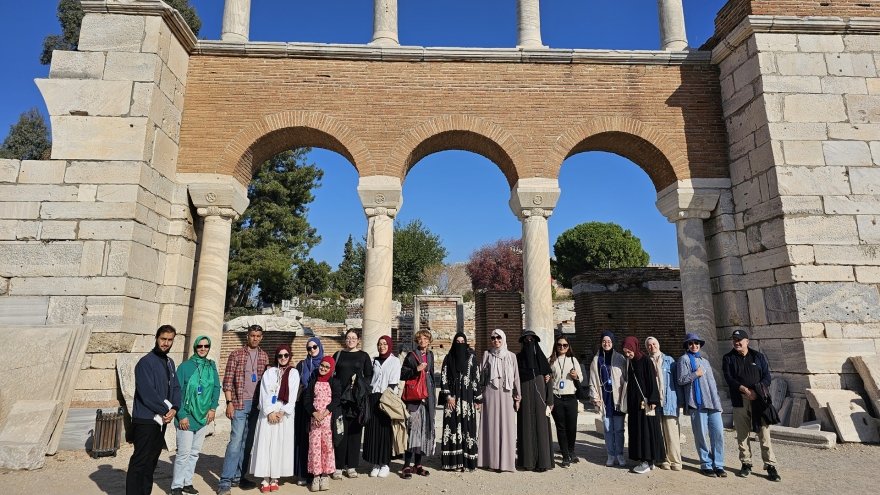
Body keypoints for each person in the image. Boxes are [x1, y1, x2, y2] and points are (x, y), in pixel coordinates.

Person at [127, 325, 181, 495]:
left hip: (161, 421)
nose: (166, 343)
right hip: (145, 419)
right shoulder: (145, 362)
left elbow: (176, 388)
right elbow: (147, 392)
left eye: (169, 340)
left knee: (152, 460)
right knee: (140, 461)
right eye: (163, 339)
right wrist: (166, 409)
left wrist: (175, 408)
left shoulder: (169, 362)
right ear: (156, 338)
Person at [722, 329, 781, 482]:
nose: (736, 342)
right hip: (740, 400)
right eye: (734, 339)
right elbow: (729, 378)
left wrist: (756, 391)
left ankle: (770, 465)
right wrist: (743, 389)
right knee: (742, 434)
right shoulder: (728, 358)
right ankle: (746, 463)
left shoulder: (758, 356)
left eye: (740, 339)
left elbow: (767, 376)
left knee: (764, 434)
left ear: (747, 341)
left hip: (758, 400)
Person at [218, 325, 269, 495]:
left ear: (261, 337)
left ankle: (239, 477)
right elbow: (227, 380)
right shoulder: (236, 354)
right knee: (235, 442)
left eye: (258, 336)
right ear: (248, 336)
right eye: (252, 335)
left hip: (256, 406)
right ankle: (225, 481)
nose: (255, 338)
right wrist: (229, 402)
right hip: (239, 403)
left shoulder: (264, 356)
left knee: (248, 444)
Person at [171, 335, 220, 495]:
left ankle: (187, 482)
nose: (203, 349)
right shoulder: (185, 367)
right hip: (187, 415)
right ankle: (176, 486)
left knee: (194, 453)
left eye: (206, 346)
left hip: (204, 416)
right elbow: (176, 392)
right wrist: (182, 415)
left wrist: (213, 409)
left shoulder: (211, 366)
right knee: (183, 453)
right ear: (195, 347)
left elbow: (216, 388)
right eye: (200, 346)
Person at [250, 344, 300, 492]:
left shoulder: (294, 373)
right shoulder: (269, 372)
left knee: (279, 446)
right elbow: (264, 393)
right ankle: (265, 477)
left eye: (286, 355)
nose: (283, 358)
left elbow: (292, 395)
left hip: (284, 415)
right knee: (266, 444)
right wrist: (270, 411)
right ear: (276, 357)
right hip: (268, 414)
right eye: (280, 355)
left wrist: (282, 412)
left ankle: (275, 477)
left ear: (289, 356)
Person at [677, 332, 726, 478]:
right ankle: (706, 464)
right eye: (691, 343)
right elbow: (681, 380)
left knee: (718, 434)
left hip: (712, 403)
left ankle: (718, 464)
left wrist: (718, 403)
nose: (694, 346)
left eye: (696, 343)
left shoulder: (705, 361)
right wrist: (695, 374)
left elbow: (712, 384)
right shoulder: (684, 360)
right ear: (687, 345)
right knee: (701, 436)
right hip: (696, 403)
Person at [331, 330, 373, 478]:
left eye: (353, 338)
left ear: (358, 340)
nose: (350, 340)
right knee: (340, 431)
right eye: (348, 338)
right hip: (340, 400)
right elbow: (332, 374)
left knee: (355, 432)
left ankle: (352, 466)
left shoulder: (363, 356)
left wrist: (359, 385)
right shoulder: (338, 355)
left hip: (356, 400)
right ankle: (338, 466)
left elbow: (369, 376)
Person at [477, 329, 520, 473]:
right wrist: (479, 397)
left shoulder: (511, 356)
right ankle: (491, 461)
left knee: (507, 428)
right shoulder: (487, 354)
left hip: (507, 394)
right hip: (490, 393)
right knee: (491, 426)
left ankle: (507, 463)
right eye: (493, 338)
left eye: (499, 338)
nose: (496, 340)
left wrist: (517, 397)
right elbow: (481, 376)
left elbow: (516, 378)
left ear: (503, 339)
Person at [621, 336, 665, 474]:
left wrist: (653, 400)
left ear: (635, 347)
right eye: (625, 352)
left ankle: (647, 460)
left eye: (629, 351)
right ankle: (645, 459)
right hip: (635, 404)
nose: (628, 354)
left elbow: (652, 380)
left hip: (646, 403)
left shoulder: (645, 360)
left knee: (647, 432)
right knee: (638, 431)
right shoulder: (631, 362)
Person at [439, 332, 481, 472]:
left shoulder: (472, 359)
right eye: (457, 341)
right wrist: (448, 396)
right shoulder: (448, 358)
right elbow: (444, 378)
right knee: (452, 429)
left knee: (467, 430)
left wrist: (477, 398)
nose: (460, 344)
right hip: (452, 400)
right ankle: (453, 463)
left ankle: (467, 462)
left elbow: (476, 379)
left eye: (463, 341)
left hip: (467, 400)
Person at [399, 329, 437, 478]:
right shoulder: (411, 355)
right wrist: (416, 369)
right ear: (417, 341)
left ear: (429, 341)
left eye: (426, 339)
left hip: (427, 398)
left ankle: (418, 464)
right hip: (414, 399)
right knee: (412, 431)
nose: (423, 341)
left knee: (423, 431)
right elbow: (402, 374)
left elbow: (432, 376)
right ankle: (406, 465)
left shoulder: (430, 355)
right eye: (420, 339)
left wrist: (432, 396)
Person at [363, 335, 401, 478]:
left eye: (385, 344)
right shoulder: (374, 360)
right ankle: (375, 463)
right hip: (373, 397)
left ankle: (385, 463)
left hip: (386, 398)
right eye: (380, 344)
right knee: (373, 431)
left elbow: (393, 382)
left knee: (385, 432)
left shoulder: (394, 361)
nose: (382, 346)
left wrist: (385, 398)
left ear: (389, 345)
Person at [516, 330, 554, 472]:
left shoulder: (541, 360)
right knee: (526, 427)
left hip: (540, 400)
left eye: (532, 340)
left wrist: (550, 401)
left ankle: (543, 462)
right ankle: (527, 462)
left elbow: (549, 380)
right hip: (524, 398)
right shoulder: (518, 359)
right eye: (526, 340)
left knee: (541, 428)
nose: (529, 342)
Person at [588, 331, 627, 467]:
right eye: (604, 341)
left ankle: (620, 454)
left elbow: (626, 380)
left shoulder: (620, 358)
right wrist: (595, 397)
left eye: (609, 341)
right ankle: (611, 455)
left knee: (619, 429)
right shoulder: (596, 359)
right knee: (608, 428)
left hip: (618, 398)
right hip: (605, 399)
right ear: (601, 342)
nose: (606, 343)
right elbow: (593, 380)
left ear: (613, 342)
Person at [645, 336, 683, 471]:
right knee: (660, 433)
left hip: (669, 400)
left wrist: (680, 401)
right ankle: (664, 459)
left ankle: (676, 461)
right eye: (649, 345)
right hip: (654, 402)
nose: (652, 347)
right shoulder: (646, 361)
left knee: (672, 432)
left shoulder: (669, 360)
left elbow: (677, 382)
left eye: (654, 344)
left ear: (658, 345)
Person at [303, 356, 340, 492]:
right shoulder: (313, 382)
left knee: (327, 447)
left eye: (327, 367)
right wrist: (314, 413)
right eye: (322, 366)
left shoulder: (334, 382)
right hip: (314, 421)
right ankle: (316, 475)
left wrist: (324, 413)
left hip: (327, 420)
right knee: (314, 447)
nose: (323, 368)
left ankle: (325, 475)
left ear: (331, 369)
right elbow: (307, 400)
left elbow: (336, 399)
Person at [294, 337, 324, 485]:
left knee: (317, 441)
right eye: (309, 348)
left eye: (314, 347)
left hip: (319, 407)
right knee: (303, 439)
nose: (311, 350)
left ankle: (316, 472)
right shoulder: (302, 364)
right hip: (303, 406)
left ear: (319, 347)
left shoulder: (325, 365)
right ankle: (302, 472)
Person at [549, 334, 582, 467]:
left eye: (565, 345)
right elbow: (548, 378)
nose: (562, 347)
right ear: (556, 346)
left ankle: (571, 450)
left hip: (571, 396)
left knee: (572, 426)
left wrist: (576, 376)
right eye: (559, 345)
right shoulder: (551, 361)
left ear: (568, 347)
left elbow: (581, 378)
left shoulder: (573, 360)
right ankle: (565, 454)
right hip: (557, 396)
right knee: (561, 427)